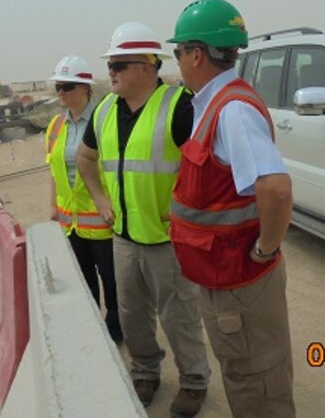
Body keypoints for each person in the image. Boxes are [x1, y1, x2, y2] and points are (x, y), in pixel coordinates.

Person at [167, 0, 296, 418]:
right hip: (222, 275)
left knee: (257, 380)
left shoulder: (232, 111)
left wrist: (265, 250)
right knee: (244, 374)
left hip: (241, 279)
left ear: (197, 54)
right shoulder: (215, 104)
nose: (179, 62)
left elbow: (275, 189)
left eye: (178, 52)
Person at [77, 22, 211, 418]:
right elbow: (86, 159)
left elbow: (207, 169)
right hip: (123, 236)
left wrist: (190, 216)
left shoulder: (179, 105)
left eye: (118, 64)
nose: (110, 73)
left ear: (146, 66)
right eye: (110, 65)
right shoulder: (103, 111)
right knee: (132, 314)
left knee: (179, 316)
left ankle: (193, 381)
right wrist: (101, 199)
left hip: (168, 239)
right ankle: (145, 371)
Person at [45, 55, 122, 344]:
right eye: (58, 87)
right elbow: (53, 170)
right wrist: (52, 206)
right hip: (71, 221)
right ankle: (92, 325)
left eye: (67, 86)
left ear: (85, 88)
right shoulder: (55, 127)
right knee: (83, 279)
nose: (61, 93)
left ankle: (116, 326)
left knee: (111, 279)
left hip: (102, 219)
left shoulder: (105, 120)